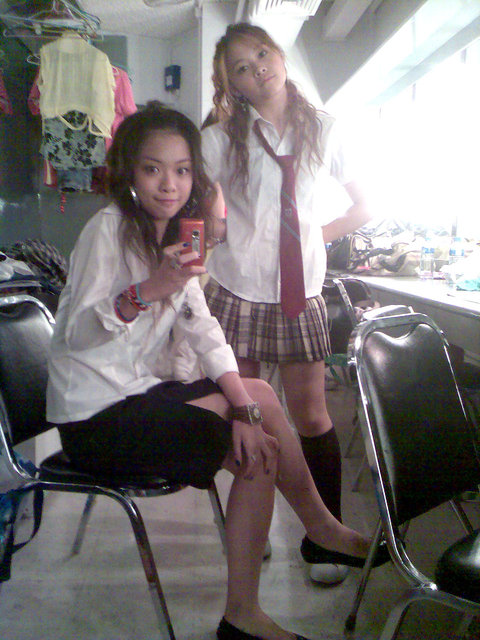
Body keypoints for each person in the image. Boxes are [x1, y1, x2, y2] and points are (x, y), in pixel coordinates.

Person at [46, 102, 387, 640]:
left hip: (140, 392)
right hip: (95, 416)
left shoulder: (177, 233)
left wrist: (244, 406)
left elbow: (203, 329)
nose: (169, 184)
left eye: (182, 170)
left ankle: (321, 528)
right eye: (153, 169)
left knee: (259, 397)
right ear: (129, 172)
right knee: (258, 452)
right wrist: (146, 291)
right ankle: (243, 616)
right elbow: (77, 336)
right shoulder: (106, 231)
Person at [201, 23, 374, 585]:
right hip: (238, 289)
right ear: (232, 84)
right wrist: (211, 221)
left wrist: (310, 239)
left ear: (278, 54)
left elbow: (365, 206)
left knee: (311, 415)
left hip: (300, 292)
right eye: (241, 67)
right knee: (246, 412)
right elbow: (190, 192)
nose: (257, 68)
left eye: (261, 54)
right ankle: (252, 529)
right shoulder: (222, 137)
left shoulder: (324, 128)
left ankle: (325, 539)